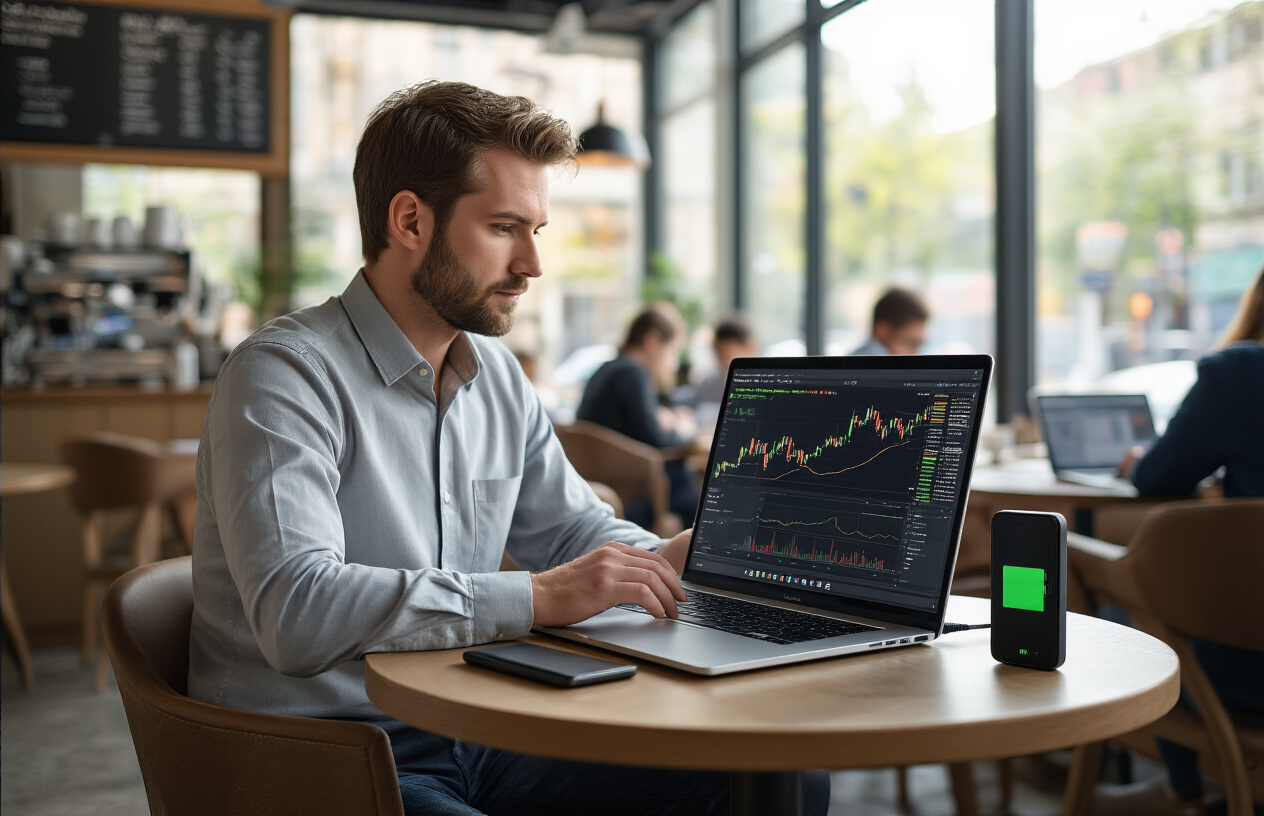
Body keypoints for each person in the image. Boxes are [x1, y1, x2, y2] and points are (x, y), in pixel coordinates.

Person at [188, 80, 829, 816]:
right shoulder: (284, 373)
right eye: (504, 228)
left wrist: (669, 560)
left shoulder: (494, 374)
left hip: (470, 724)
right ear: (409, 221)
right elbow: (297, 612)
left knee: (775, 779)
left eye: (537, 230)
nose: (532, 264)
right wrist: (542, 596)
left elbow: (571, 530)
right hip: (319, 756)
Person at [1111, 267, 1264, 816]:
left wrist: (1141, 461)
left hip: (1250, 672)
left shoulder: (1242, 372)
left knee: (1112, 600)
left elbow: (1158, 479)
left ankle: (1180, 786)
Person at [577, 303, 701, 526]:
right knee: (696, 489)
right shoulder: (634, 372)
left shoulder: (605, 369)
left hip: (600, 490)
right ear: (652, 340)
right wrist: (683, 429)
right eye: (672, 351)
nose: (673, 364)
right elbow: (656, 441)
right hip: (632, 497)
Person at [692, 315, 757, 406]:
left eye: (728, 356)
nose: (724, 363)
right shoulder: (708, 383)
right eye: (719, 355)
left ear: (750, 348)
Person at [850, 287, 929, 355]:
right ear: (882, 331)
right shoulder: (864, 368)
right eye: (910, 344)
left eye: (918, 346)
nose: (916, 354)